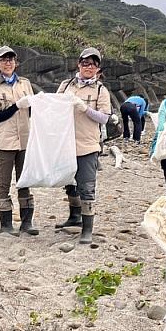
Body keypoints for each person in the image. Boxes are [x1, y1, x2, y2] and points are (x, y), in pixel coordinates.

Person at [55, 47, 112, 244]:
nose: (89, 67)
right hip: (66, 143)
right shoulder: (66, 84)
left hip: (88, 145)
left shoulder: (101, 90)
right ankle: (74, 217)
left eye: (94, 64)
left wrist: (85, 108)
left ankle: (87, 229)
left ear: (98, 68)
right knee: (70, 184)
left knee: (87, 187)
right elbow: (55, 107)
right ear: (78, 64)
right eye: (85, 63)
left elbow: (104, 118)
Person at [0, 46, 37, 236]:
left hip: (24, 141)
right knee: (4, 183)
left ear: (16, 62)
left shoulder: (25, 84)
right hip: (5, 142)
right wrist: (16, 106)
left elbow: (32, 111)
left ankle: (27, 223)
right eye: (4, 59)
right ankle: (6, 224)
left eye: (11, 59)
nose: (8, 63)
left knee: (24, 181)